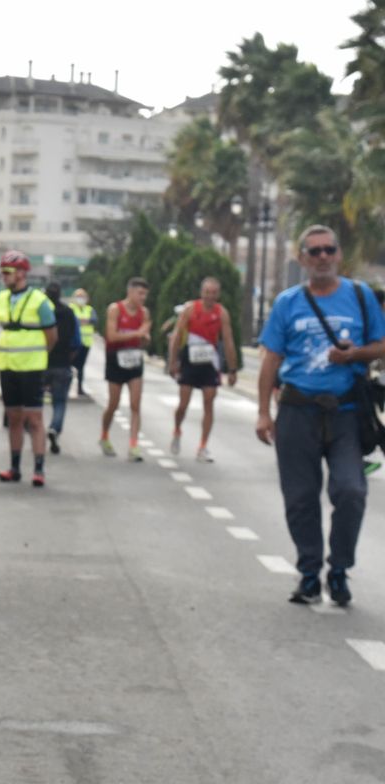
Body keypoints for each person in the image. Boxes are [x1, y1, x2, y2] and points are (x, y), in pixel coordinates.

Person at [255, 225, 385, 607]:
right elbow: (271, 360)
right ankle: (310, 574)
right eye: (314, 252)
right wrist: (264, 413)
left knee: (351, 490)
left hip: (346, 412)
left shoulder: (360, 297)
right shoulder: (287, 303)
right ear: (303, 259)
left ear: (339, 255)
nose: (323, 257)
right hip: (297, 411)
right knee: (300, 497)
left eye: (329, 250)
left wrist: (353, 355)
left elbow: (381, 345)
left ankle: (340, 569)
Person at [0, 251, 57, 486]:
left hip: (32, 368)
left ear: (22, 273)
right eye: (2, 271)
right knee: (13, 417)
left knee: (34, 419)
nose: (4, 276)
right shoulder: (1, 298)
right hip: (7, 366)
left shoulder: (39, 301)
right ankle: (14, 468)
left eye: (8, 272)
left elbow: (51, 336)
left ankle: (39, 470)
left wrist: (38, 356)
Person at [168, 277, 240, 462]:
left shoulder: (221, 313)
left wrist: (232, 369)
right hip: (190, 360)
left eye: (214, 293)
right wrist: (173, 360)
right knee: (183, 404)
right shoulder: (190, 310)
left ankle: (203, 446)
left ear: (218, 294)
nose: (210, 296)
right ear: (202, 293)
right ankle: (177, 429)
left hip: (209, 362)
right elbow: (176, 335)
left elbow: (229, 341)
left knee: (209, 402)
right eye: (207, 292)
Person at [100, 277, 152, 461]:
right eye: (140, 293)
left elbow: (144, 339)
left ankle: (133, 445)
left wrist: (145, 338)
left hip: (135, 359)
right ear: (130, 292)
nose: (142, 298)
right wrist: (136, 333)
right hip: (115, 358)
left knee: (135, 405)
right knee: (113, 404)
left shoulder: (144, 313)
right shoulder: (115, 309)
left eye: (145, 294)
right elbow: (111, 336)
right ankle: (104, 435)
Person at [44, 281, 84, 454]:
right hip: (63, 365)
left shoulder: (42, 311)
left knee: (34, 402)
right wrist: (69, 358)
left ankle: (33, 431)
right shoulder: (69, 313)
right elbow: (77, 341)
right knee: (59, 402)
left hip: (40, 364)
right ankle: (54, 428)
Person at [68, 288, 96, 397]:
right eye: (78, 297)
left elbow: (94, 320)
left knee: (81, 367)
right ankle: (67, 387)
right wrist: (84, 321)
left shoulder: (89, 309)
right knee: (69, 365)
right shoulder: (71, 308)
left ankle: (80, 388)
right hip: (73, 343)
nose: (81, 299)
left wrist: (80, 321)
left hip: (85, 343)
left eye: (83, 297)